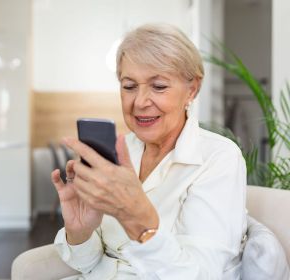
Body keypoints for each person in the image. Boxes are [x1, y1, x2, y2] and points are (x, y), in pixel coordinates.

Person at [51, 23, 247, 279]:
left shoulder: (218, 158)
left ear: (192, 89)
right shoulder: (120, 151)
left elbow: (201, 275)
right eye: (129, 86)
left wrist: (135, 215)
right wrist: (80, 230)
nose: (140, 102)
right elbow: (86, 264)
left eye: (159, 86)